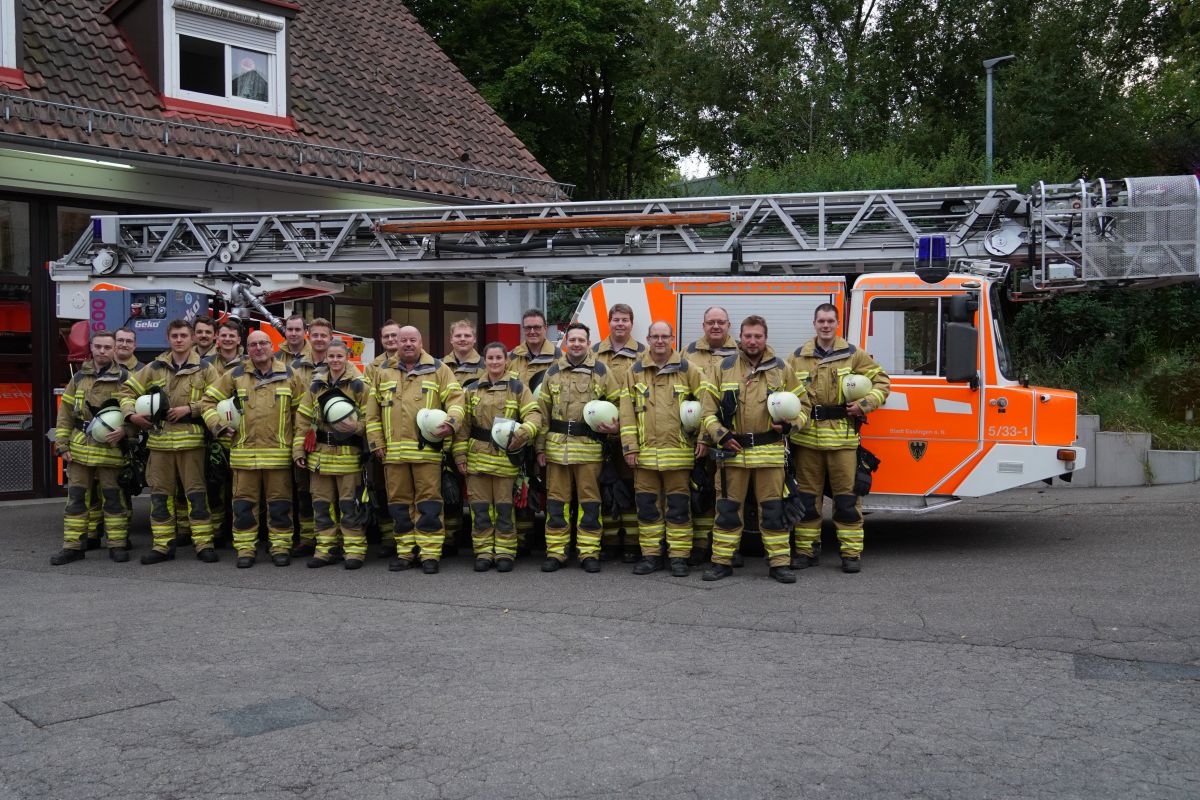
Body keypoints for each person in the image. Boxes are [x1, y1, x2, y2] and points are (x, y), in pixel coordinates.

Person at [698, 315, 808, 584]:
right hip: (732, 454)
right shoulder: (723, 367)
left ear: (765, 337)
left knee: (773, 511)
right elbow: (707, 410)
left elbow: (804, 406)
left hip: (769, 453)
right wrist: (721, 436)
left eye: (758, 336)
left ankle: (779, 563)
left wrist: (791, 424)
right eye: (748, 336)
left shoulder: (781, 368)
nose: (752, 341)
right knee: (727, 510)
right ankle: (721, 562)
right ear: (741, 337)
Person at [788, 303, 890, 573]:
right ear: (814, 323)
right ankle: (806, 551)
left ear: (837, 324)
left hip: (843, 442)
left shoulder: (853, 355)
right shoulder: (797, 357)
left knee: (846, 501)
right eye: (821, 321)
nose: (825, 325)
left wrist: (865, 404)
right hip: (807, 441)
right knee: (808, 502)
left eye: (830, 321)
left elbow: (883, 382)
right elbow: (782, 390)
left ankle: (851, 553)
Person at [120, 319, 221, 564]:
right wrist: (132, 415)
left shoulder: (205, 369)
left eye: (183, 335)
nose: (179, 339)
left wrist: (190, 408)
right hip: (160, 442)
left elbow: (218, 399)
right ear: (168, 338)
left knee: (196, 495)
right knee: (160, 496)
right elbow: (126, 391)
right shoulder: (154, 367)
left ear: (192, 339)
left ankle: (203, 543)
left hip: (192, 444)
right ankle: (162, 545)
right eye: (174, 335)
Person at [366, 326, 464, 573]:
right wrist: (377, 443)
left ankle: (430, 554)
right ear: (396, 343)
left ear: (421, 342)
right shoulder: (383, 372)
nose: (407, 344)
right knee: (398, 505)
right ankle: (405, 552)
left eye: (412, 339)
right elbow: (372, 413)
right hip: (393, 455)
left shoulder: (439, 369)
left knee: (429, 503)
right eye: (403, 340)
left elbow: (456, 400)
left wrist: (452, 423)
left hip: (426, 453)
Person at [201, 330, 304, 568]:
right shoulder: (235, 375)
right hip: (243, 456)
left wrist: (298, 446)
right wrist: (217, 426)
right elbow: (207, 402)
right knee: (244, 505)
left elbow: (302, 414)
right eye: (253, 345)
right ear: (247, 349)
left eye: (263, 343)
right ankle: (245, 549)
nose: (259, 348)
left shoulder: (290, 374)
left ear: (272, 346)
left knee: (280, 505)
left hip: (278, 456)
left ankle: (280, 547)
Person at [619, 321, 705, 577]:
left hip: (678, 455)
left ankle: (678, 557)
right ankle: (651, 555)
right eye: (654, 336)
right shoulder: (634, 371)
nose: (659, 341)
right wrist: (629, 447)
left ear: (672, 338)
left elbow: (707, 403)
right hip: (644, 456)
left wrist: (703, 439)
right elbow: (626, 413)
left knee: (678, 508)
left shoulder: (688, 369)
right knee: (647, 508)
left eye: (664, 336)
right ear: (647, 338)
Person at [535, 322, 620, 573]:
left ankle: (589, 552)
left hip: (588, 450)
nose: (576, 344)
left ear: (588, 342)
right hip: (557, 449)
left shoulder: (602, 371)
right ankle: (556, 552)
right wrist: (539, 448)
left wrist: (615, 428)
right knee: (556, 503)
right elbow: (542, 413)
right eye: (572, 340)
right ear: (565, 343)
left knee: (589, 504)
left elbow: (618, 402)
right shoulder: (552, 372)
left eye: (581, 340)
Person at [453, 342, 542, 571]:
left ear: (506, 360)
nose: (494, 362)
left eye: (498, 358)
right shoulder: (471, 389)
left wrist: (524, 433)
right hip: (477, 459)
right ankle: (483, 552)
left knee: (504, 510)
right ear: (485, 360)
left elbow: (534, 414)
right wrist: (460, 455)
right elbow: (463, 427)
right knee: (480, 510)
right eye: (490, 358)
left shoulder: (518, 387)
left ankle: (505, 552)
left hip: (505, 458)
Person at [50, 331, 133, 564]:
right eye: (98, 347)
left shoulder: (125, 378)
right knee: (76, 499)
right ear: (91, 348)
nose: (103, 351)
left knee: (114, 499)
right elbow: (65, 414)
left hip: (111, 449)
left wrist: (126, 431)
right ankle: (73, 546)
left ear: (115, 349)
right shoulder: (78, 378)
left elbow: (135, 412)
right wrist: (62, 445)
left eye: (108, 347)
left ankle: (117, 545)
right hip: (79, 450)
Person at [294, 338, 373, 569]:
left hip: (348, 455)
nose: (335, 361)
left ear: (347, 356)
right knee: (322, 505)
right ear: (326, 358)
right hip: (319, 455)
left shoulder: (359, 385)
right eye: (331, 357)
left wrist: (356, 428)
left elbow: (372, 419)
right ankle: (325, 549)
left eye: (339, 356)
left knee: (350, 505)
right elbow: (303, 419)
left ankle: (354, 551)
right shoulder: (316, 386)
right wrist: (299, 449)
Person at [684, 306, 737, 565]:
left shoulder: (741, 353)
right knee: (699, 490)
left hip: (730, 437)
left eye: (720, 322)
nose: (715, 326)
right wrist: (701, 437)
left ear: (729, 325)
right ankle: (700, 546)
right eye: (710, 322)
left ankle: (727, 547)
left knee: (727, 494)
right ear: (703, 325)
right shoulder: (688, 353)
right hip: (694, 435)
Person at [592, 303, 645, 562]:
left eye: (625, 319)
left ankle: (632, 544)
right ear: (609, 322)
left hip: (633, 433)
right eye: (616, 320)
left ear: (631, 323)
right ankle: (610, 541)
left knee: (630, 488)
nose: (620, 324)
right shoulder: (593, 354)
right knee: (605, 488)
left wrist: (622, 427)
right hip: (598, 434)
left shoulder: (643, 354)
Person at [506, 309, 558, 554]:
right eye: (528, 328)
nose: (533, 331)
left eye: (537, 327)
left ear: (545, 327)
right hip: (520, 432)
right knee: (521, 484)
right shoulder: (512, 357)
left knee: (551, 486)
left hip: (549, 431)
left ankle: (553, 539)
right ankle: (524, 539)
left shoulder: (559, 357)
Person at [287, 318, 333, 556]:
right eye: (315, 335)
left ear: (330, 337)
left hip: (329, 439)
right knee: (304, 490)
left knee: (328, 492)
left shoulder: (337, 364)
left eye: (323, 335)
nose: (319, 339)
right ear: (309, 336)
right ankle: (307, 538)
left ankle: (330, 537)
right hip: (302, 433)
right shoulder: (295, 368)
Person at [441, 319, 485, 552]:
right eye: (458, 336)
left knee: (479, 491)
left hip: (476, 436)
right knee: (448, 489)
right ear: (451, 339)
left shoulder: (487, 365)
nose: (463, 339)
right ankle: (450, 539)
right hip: (446, 435)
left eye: (467, 335)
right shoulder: (439, 367)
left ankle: (478, 538)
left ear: (474, 338)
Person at [200, 318, 245, 543]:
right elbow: (203, 399)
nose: (227, 339)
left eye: (232, 336)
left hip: (241, 434)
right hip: (215, 433)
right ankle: (218, 531)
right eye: (224, 335)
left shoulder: (249, 363)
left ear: (238, 339)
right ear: (218, 338)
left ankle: (239, 528)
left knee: (241, 487)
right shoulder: (205, 364)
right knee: (215, 485)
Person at [365, 319, 401, 558]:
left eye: (394, 336)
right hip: (382, 440)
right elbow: (369, 404)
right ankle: (389, 538)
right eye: (386, 336)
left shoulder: (417, 362)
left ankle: (406, 537)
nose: (391, 340)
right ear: (381, 339)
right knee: (381, 489)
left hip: (406, 440)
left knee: (405, 493)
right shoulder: (373, 367)